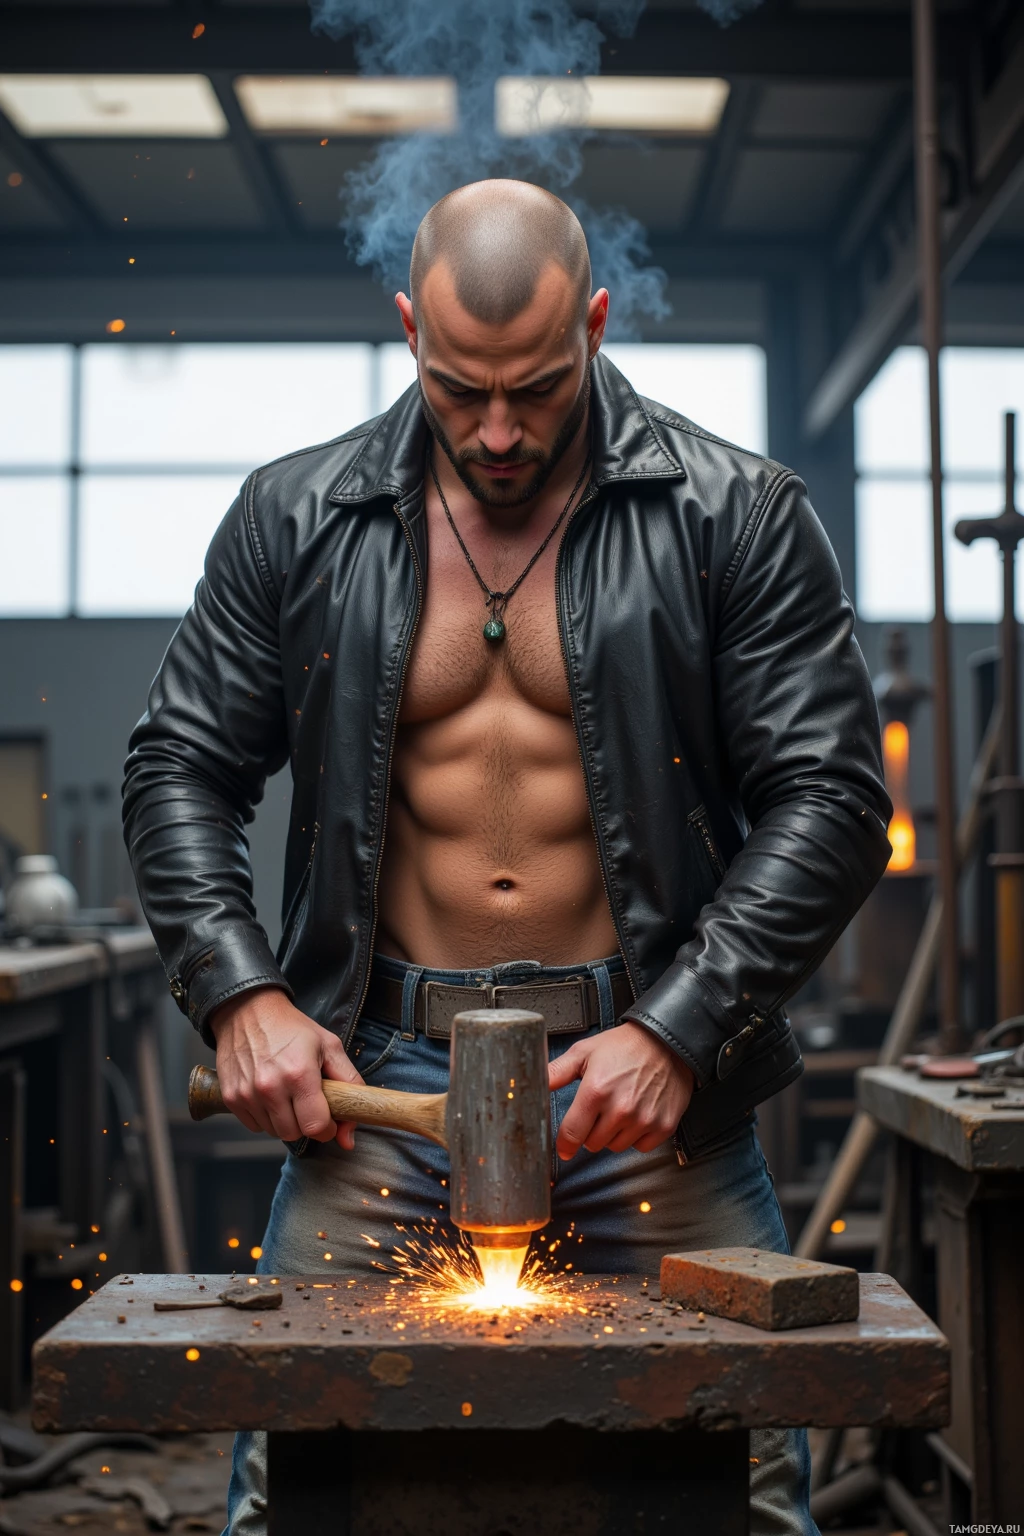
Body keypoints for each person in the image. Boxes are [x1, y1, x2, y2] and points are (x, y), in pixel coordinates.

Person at [123, 180, 891, 1535]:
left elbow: (830, 800)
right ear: (410, 330)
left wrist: (683, 1030)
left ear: (595, 325)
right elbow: (179, 764)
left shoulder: (739, 514)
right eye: (458, 387)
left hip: (644, 1086)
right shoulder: (294, 518)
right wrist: (242, 997)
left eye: (537, 388)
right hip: (382, 1085)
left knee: (755, 1494)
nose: (495, 431)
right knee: (289, 1492)